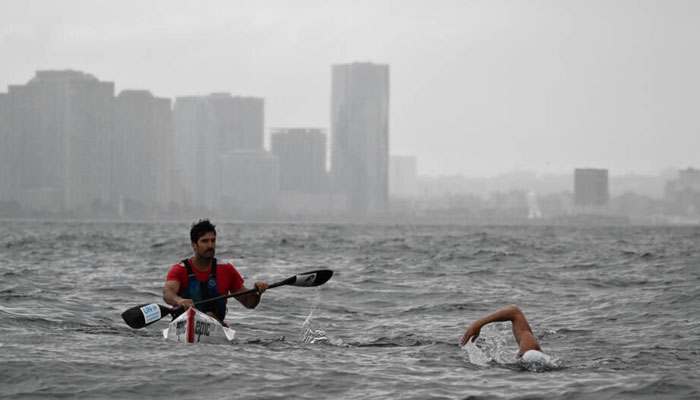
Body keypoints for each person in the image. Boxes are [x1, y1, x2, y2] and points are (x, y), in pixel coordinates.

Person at [163, 219, 269, 325]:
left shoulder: (226, 269)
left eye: (213, 240)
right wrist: (179, 300)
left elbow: (248, 303)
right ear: (194, 244)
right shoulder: (180, 269)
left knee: (209, 315)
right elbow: (168, 293)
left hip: (216, 326)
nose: (210, 245)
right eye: (205, 241)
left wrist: (256, 293)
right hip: (183, 325)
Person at [460, 304, 551, 363]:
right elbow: (514, 312)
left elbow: (514, 311)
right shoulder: (530, 348)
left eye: (520, 355)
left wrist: (478, 323)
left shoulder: (530, 347)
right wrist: (479, 324)